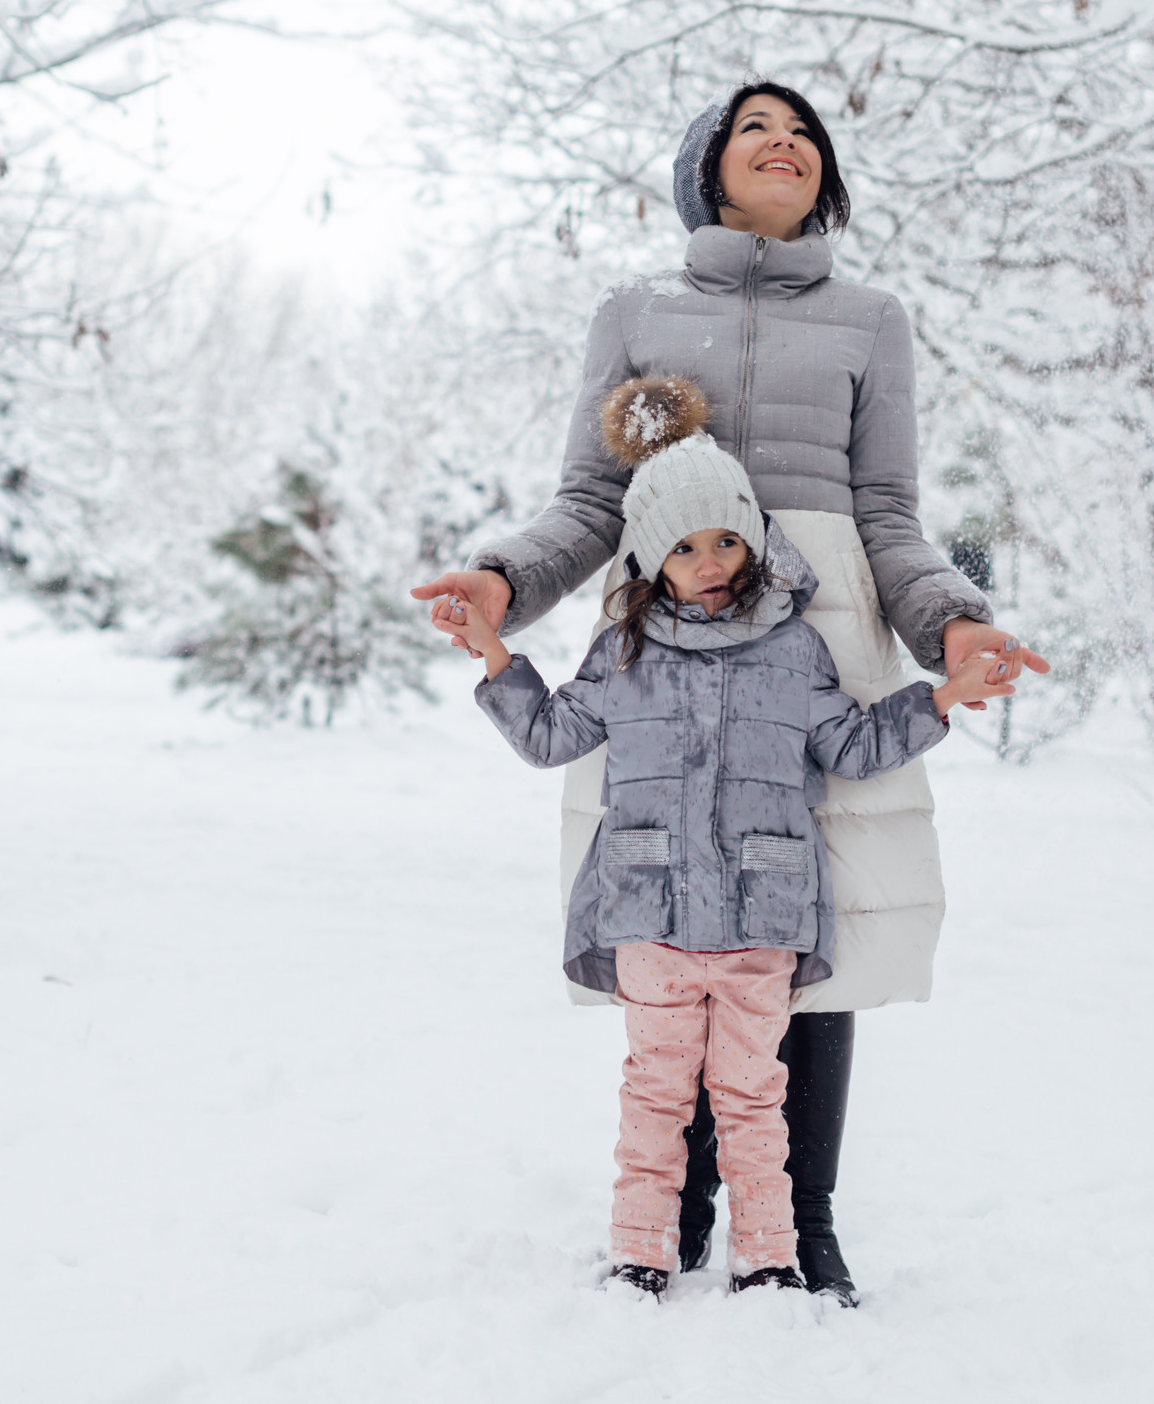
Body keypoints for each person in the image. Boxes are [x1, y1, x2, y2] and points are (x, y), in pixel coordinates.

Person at [414, 80, 1049, 1305]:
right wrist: (504, 580)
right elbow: (591, 506)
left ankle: (800, 1218)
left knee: (816, 930)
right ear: (705, 167)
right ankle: (683, 1206)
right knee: (675, 909)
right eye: (754, 127)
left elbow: (889, 517)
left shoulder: (870, 320)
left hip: (823, 639)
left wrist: (952, 625)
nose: (783, 143)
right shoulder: (637, 311)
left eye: (804, 132)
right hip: (657, 633)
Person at [437, 376, 1018, 1297]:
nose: (708, 560)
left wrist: (941, 697)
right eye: (684, 545)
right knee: (655, 1100)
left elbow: (853, 745)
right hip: (651, 915)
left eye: (726, 539)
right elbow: (552, 735)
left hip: (762, 920)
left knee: (755, 1101)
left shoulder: (793, 648)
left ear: (752, 540)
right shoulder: (625, 654)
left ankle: (770, 1259)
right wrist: (499, 656)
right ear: (649, 558)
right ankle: (643, 1249)